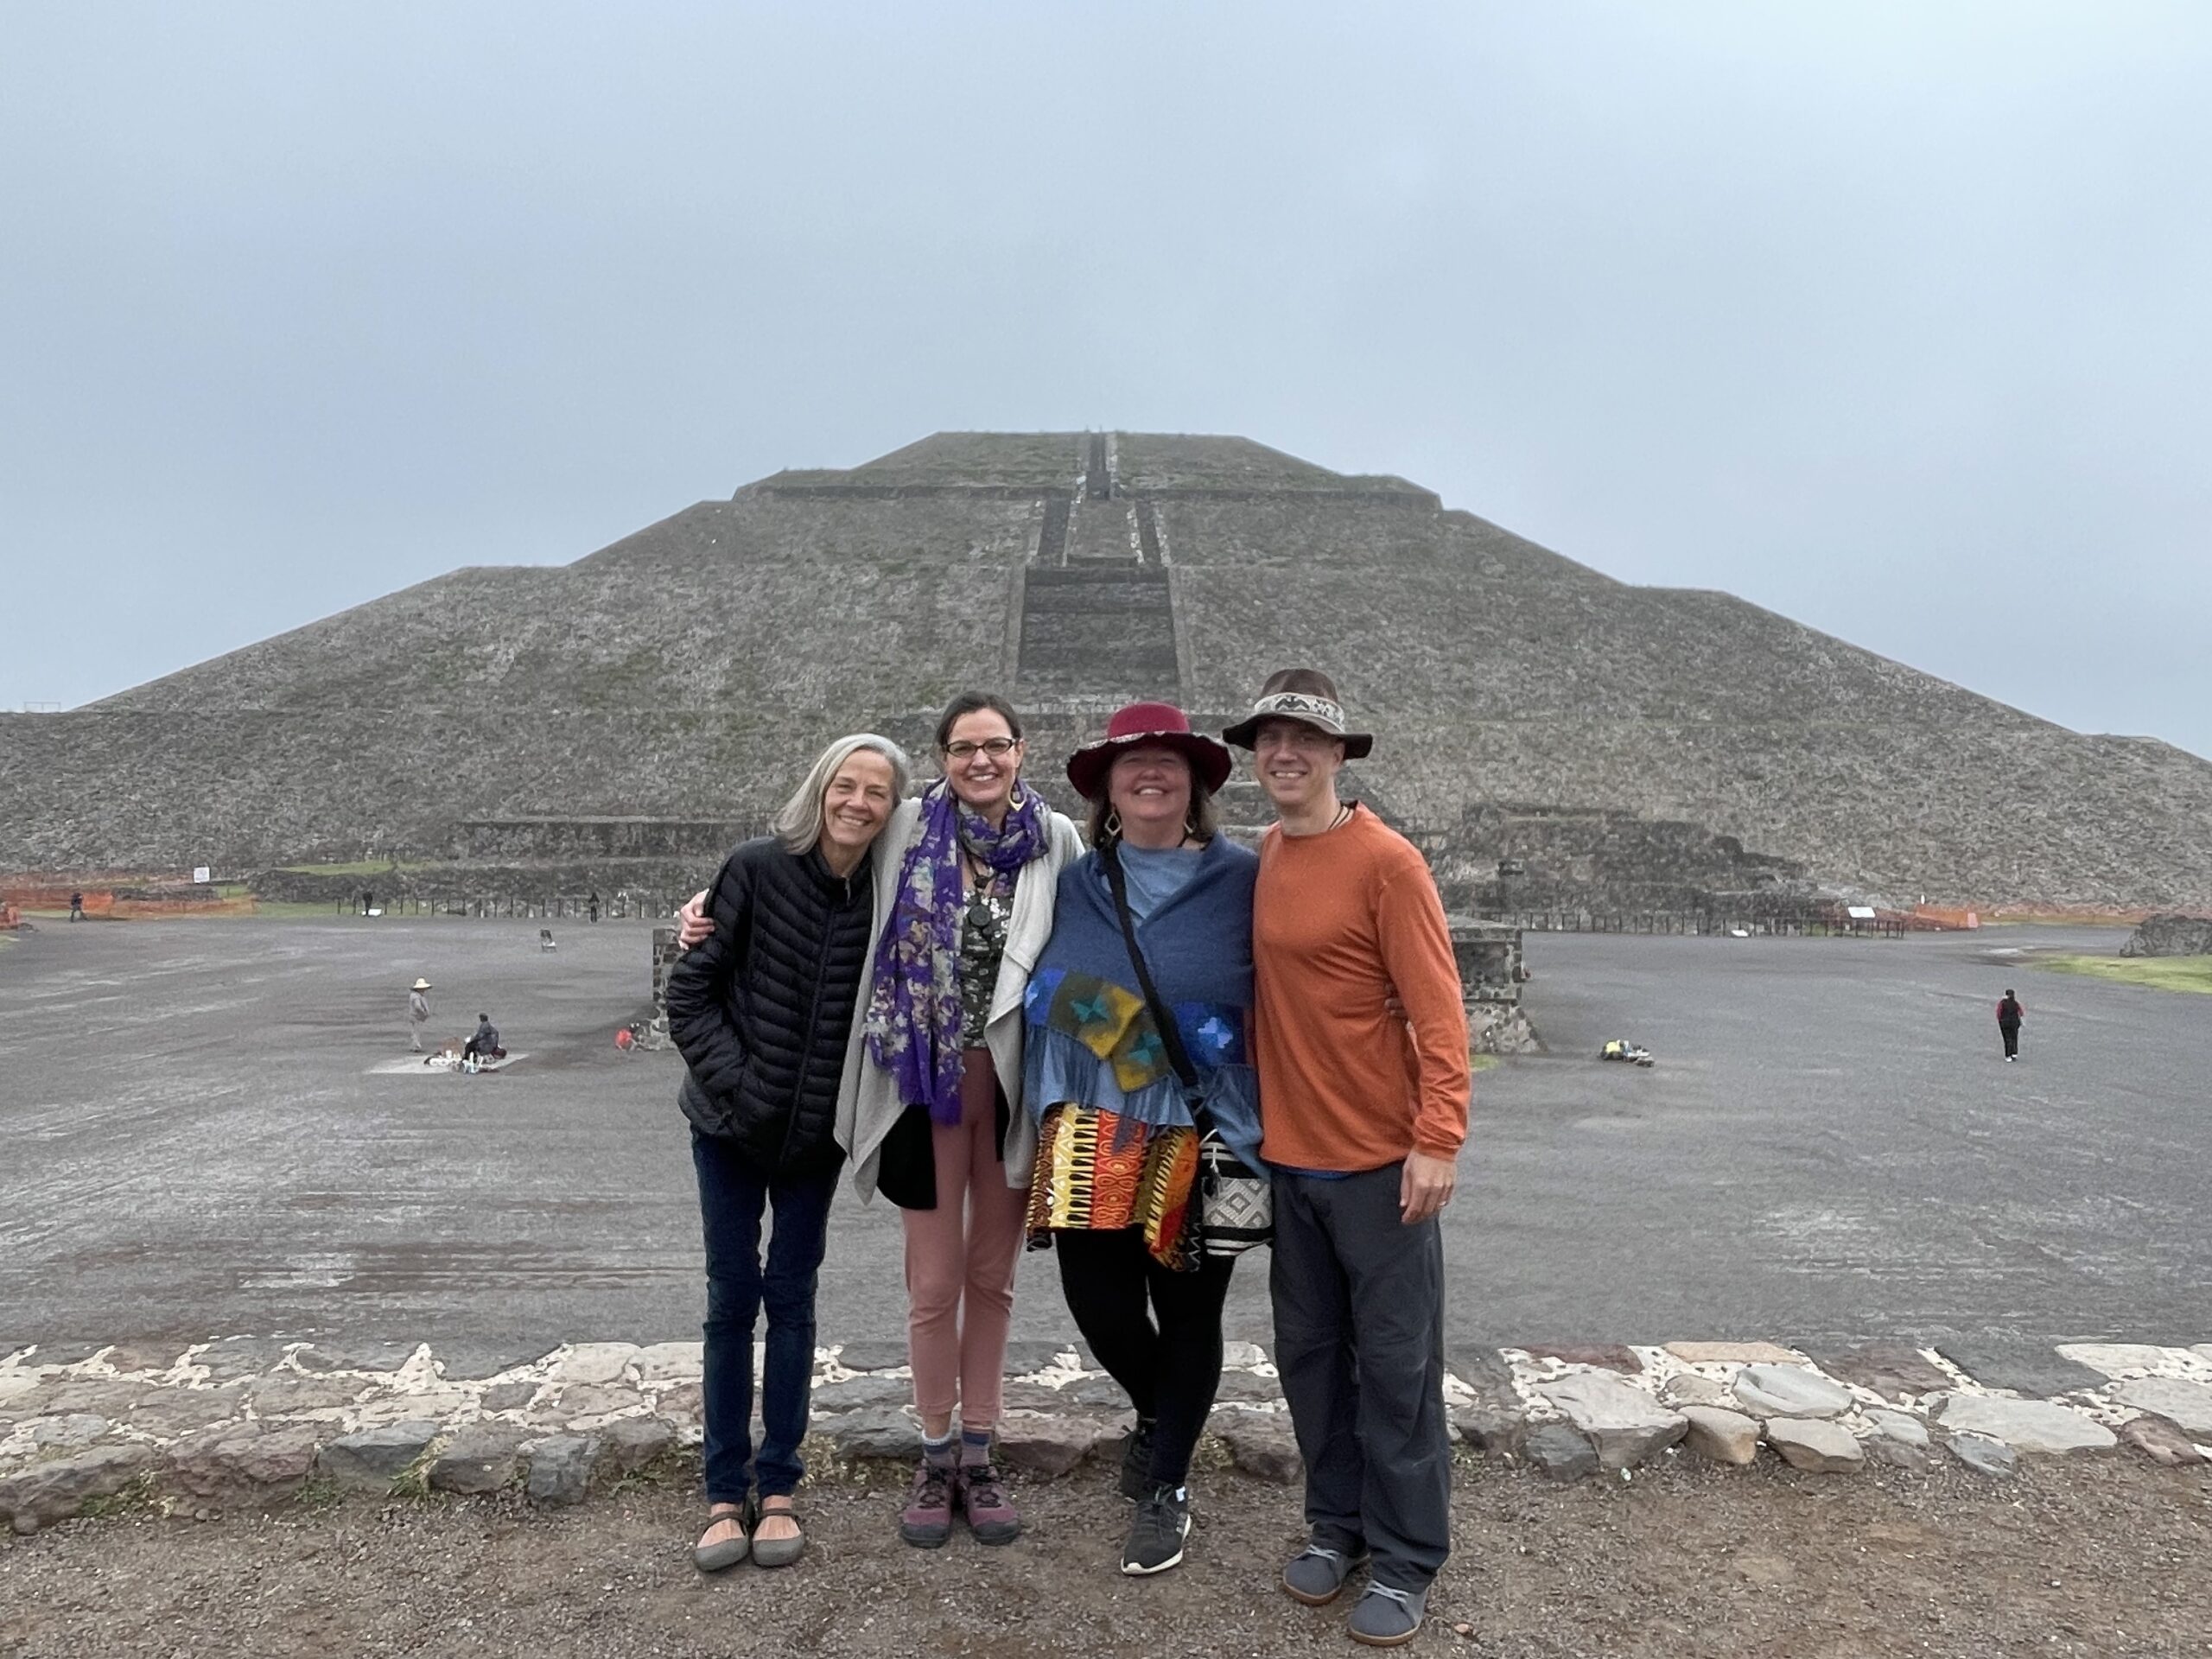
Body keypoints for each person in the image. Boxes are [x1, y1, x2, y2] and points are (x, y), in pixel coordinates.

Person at [678, 692, 1084, 1550]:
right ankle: (935, 1455)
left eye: (997, 745)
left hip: (1012, 1090)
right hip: (920, 1088)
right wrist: (696, 912)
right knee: (933, 1286)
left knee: (993, 1281)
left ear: (1021, 751)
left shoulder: (1055, 842)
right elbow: (813, 858)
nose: (981, 760)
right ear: (940, 757)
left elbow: (1090, 936)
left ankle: (980, 1450)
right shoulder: (904, 826)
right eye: (963, 746)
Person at [1224, 668, 1470, 1649]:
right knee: (1314, 1362)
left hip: (1380, 1166)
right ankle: (1335, 1525)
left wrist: (1437, 1139)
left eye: (1305, 740)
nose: (1284, 754)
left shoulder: (1388, 863)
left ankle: (1407, 1558)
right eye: (1269, 740)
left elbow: (1440, 1012)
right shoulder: (1267, 854)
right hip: (1295, 1166)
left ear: (1337, 754)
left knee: (1400, 1368)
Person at [1021, 702, 1261, 1575]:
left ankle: (1168, 1484)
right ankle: (1164, 1413)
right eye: (1132, 764)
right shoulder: (1073, 878)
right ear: (1106, 789)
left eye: (1168, 761)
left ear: (1194, 783)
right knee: (1099, 1303)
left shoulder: (1245, 874)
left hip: (1208, 1127)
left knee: (1189, 1307)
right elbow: (1023, 972)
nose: (1151, 773)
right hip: (1090, 1120)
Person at [665, 733, 909, 1573]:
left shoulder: (889, 894)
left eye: (877, 793)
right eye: (847, 785)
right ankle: (721, 1493)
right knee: (732, 1301)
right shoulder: (755, 869)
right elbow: (686, 994)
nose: (858, 803)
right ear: (821, 789)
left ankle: (779, 1488)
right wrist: (742, 1088)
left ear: (892, 812)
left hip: (814, 1142)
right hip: (729, 1128)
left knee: (793, 1301)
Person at [1997, 988, 2024, 1061]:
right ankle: (2014, 1053)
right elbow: (2021, 1013)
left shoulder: (2002, 1003)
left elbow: (1999, 1013)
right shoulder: (2016, 1003)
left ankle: (2008, 1055)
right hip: (2015, 1023)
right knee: (2014, 1038)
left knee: (2007, 1039)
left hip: (2005, 1023)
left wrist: (2000, 1020)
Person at [409, 978, 432, 1054]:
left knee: (415, 1031)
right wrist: (423, 1013)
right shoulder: (416, 996)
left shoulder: (416, 995)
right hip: (416, 1016)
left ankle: (415, 1046)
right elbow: (417, 1006)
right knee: (416, 1031)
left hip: (415, 1016)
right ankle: (416, 1047)